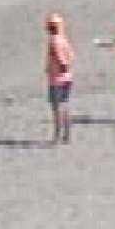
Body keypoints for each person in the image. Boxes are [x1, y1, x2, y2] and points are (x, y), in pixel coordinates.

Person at [45, 12, 75, 145]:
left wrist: (61, 65)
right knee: (65, 104)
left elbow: (57, 55)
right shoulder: (64, 39)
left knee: (56, 107)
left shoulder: (54, 41)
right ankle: (67, 133)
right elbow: (71, 56)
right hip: (67, 78)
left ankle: (57, 135)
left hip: (56, 78)